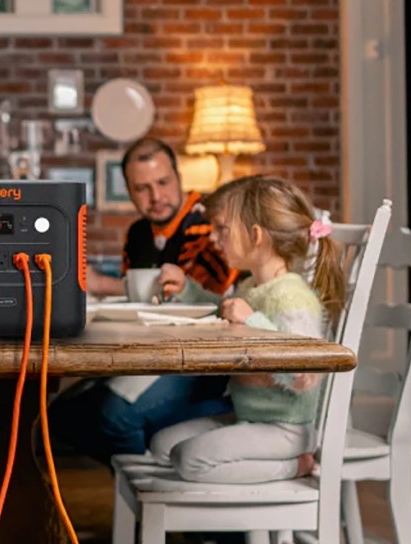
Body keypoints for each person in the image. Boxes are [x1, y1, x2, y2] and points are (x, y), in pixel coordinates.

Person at [49, 137, 238, 466]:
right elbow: (144, 300)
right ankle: (141, 486)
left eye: (163, 183)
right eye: (142, 188)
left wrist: (100, 284)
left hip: (206, 360)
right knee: (58, 415)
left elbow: (195, 301)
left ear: (179, 178)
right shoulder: (138, 233)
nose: (156, 197)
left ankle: (150, 491)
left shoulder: (208, 223)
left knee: (109, 416)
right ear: (129, 190)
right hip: (153, 353)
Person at [148, 174, 345, 483]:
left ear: (255, 235)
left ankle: (298, 466)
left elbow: (305, 376)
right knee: (160, 447)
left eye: (223, 229)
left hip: (285, 428)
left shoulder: (292, 296)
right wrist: (188, 289)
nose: (214, 238)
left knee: (186, 459)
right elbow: (225, 315)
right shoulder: (253, 286)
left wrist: (252, 322)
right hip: (249, 417)